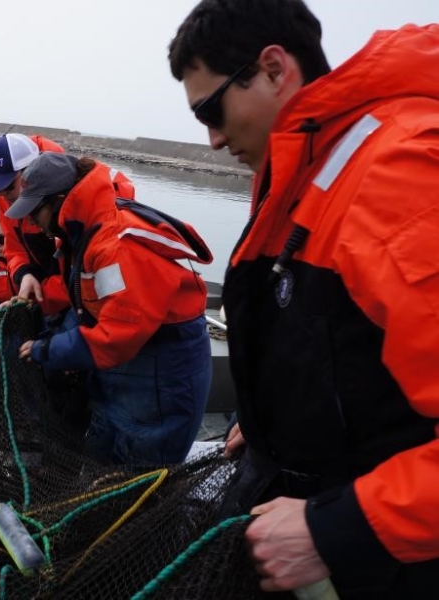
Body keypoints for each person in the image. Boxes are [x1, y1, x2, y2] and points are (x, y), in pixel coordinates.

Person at [168, 1, 439, 596]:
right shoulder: (306, 171)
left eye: (212, 110)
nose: (211, 140)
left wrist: (337, 529)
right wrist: (266, 424)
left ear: (272, 68)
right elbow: (333, 342)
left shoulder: (400, 174)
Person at [10, 152, 213, 465]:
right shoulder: (82, 236)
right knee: (100, 457)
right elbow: (89, 310)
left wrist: (48, 349)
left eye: (35, 211)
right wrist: (54, 335)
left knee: (138, 472)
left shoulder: (116, 246)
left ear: (61, 200)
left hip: (162, 373)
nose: (32, 223)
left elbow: (120, 334)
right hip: (123, 372)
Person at [0, 133, 136, 318]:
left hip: (82, 301)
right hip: (49, 296)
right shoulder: (7, 199)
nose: (2, 194)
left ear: (31, 171)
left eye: (9, 185)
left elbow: (85, 275)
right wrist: (25, 275)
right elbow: (14, 250)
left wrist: (39, 299)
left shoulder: (92, 203)